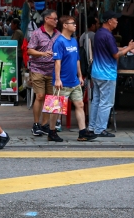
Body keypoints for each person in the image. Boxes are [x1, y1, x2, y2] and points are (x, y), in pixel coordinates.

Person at [89, 12, 134, 138]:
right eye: (115, 20)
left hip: (96, 73)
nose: (117, 22)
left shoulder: (100, 33)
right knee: (106, 103)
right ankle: (100, 129)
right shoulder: (108, 35)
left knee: (96, 101)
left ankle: (92, 127)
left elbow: (113, 50)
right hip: (106, 74)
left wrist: (126, 47)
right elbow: (116, 55)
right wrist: (130, 48)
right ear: (109, 21)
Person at [51, 15, 93, 142]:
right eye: (72, 23)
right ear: (64, 25)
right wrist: (57, 79)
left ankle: (82, 132)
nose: (75, 25)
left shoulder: (74, 41)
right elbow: (57, 62)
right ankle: (51, 131)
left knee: (79, 104)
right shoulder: (59, 42)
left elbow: (77, 60)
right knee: (57, 108)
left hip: (74, 81)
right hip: (62, 82)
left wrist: (80, 75)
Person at [27, 8, 59, 137]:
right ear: (46, 19)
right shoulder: (37, 34)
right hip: (38, 69)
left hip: (52, 70)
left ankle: (45, 124)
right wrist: (42, 53)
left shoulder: (59, 35)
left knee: (50, 99)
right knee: (40, 96)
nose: (56, 21)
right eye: (54, 19)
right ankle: (36, 124)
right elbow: (30, 50)